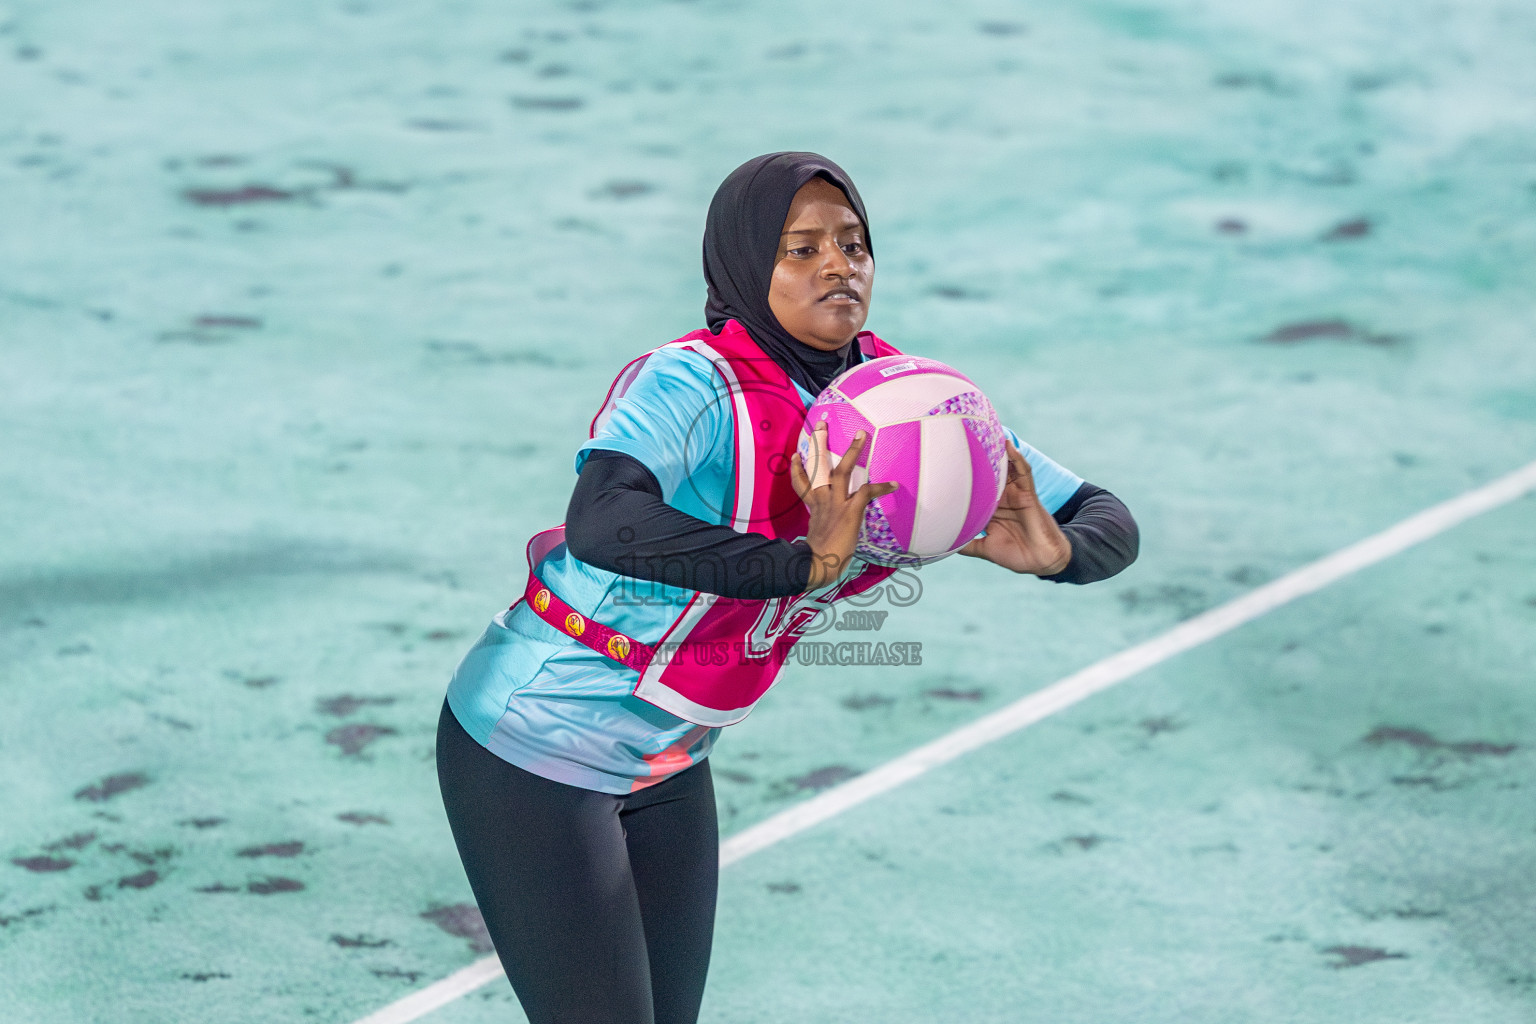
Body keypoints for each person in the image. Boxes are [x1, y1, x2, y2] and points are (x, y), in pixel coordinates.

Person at [435, 152, 1139, 1024]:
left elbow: (1105, 516)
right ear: (741, 263)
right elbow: (603, 519)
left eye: (853, 244)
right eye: (801, 249)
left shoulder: (914, 405)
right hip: (536, 743)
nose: (838, 265)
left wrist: (1060, 553)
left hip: (671, 759)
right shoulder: (690, 383)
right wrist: (801, 562)